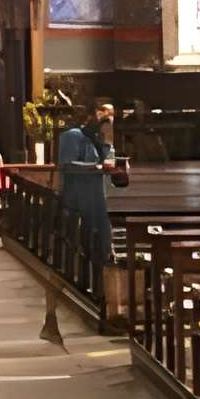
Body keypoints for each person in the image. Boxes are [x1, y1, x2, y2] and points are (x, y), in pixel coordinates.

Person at [57, 100, 116, 274]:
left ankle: (102, 269)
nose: (106, 119)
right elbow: (66, 165)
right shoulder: (73, 135)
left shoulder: (100, 139)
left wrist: (107, 141)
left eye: (110, 116)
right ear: (90, 116)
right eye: (102, 113)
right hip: (78, 195)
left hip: (97, 196)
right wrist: (95, 167)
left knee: (102, 236)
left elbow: (105, 160)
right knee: (84, 238)